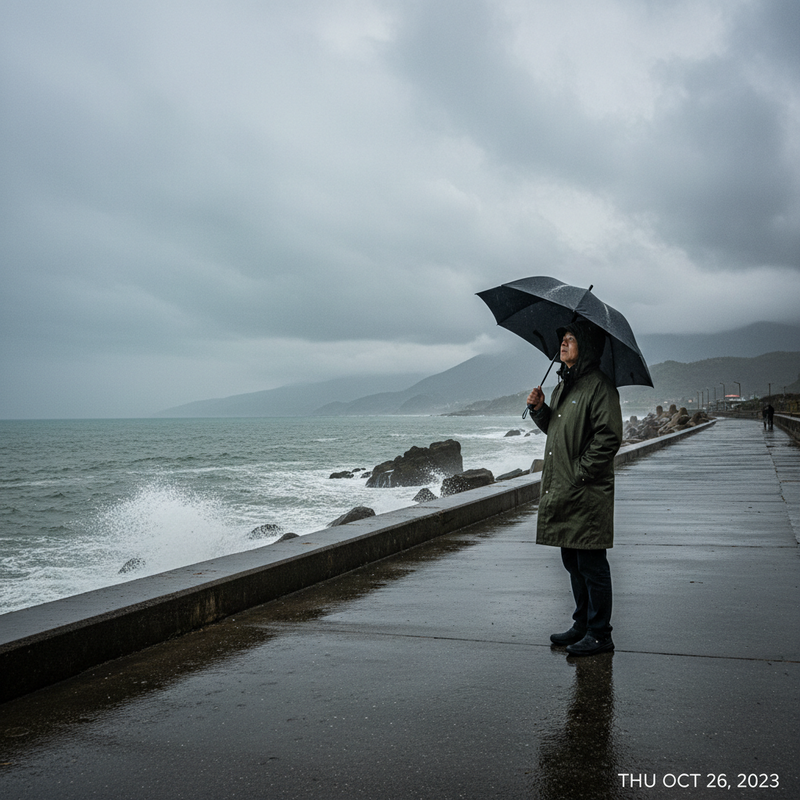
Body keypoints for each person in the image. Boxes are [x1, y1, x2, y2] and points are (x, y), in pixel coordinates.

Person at [526, 320, 623, 657]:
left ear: (587, 347)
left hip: (586, 491)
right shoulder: (563, 387)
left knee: (592, 564)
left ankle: (600, 633)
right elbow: (559, 431)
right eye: (563, 339)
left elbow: (608, 437)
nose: (564, 344)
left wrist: (579, 474)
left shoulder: (600, 387)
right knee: (572, 560)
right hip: (567, 489)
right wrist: (540, 410)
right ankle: (582, 624)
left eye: (571, 339)